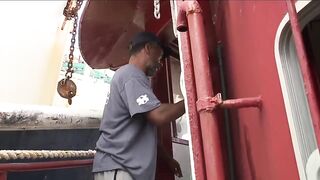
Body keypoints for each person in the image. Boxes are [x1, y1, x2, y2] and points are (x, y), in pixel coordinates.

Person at [92, 32, 185, 180]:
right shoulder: (131, 74)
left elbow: (145, 132)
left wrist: (167, 159)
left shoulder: (131, 77)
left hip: (118, 167)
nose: (160, 63)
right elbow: (158, 115)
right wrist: (191, 101)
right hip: (119, 167)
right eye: (159, 57)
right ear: (148, 48)